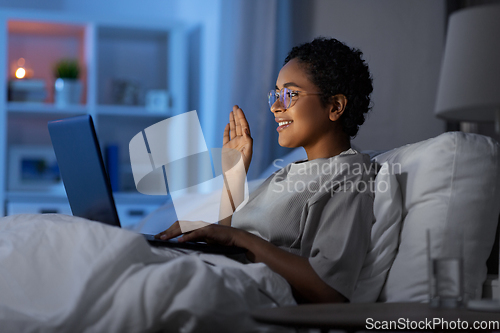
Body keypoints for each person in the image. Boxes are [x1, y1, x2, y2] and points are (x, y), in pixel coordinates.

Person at [156, 37, 375, 304]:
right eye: (276, 93)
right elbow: (229, 241)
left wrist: (241, 239)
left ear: (335, 106)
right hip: (223, 274)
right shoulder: (288, 173)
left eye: (290, 94)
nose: (275, 106)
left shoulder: (351, 173)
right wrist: (233, 176)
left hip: (254, 295)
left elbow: (329, 289)